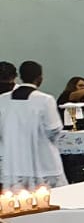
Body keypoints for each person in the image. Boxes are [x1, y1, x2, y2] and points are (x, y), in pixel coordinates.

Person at [0, 60, 67, 188]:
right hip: (41, 159)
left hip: (13, 160)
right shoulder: (45, 100)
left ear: (19, 76)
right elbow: (53, 129)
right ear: (39, 78)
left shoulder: (3, 99)